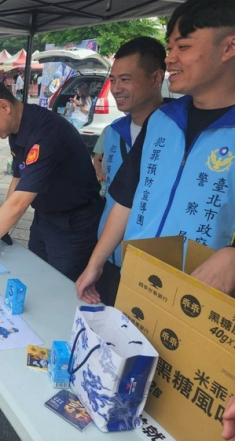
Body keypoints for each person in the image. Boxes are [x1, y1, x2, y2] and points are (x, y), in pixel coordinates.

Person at [75, 0, 235, 304]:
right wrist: (95, 264)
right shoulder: (163, 121)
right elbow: (125, 199)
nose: (169, 58)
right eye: (169, 47)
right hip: (136, 280)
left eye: (183, 46)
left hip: (201, 298)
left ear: (229, 47)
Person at [0, 77, 104, 284]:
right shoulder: (17, 129)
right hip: (45, 216)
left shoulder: (46, 133)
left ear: (4, 106)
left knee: (60, 287)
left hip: (74, 224)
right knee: (35, 277)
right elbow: (17, 180)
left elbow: (19, 203)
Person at [87, 36, 170, 306]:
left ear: (156, 78)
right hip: (109, 258)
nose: (116, 88)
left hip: (153, 269)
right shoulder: (113, 133)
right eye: (113, 80)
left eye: (126, 79)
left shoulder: (177, 134)